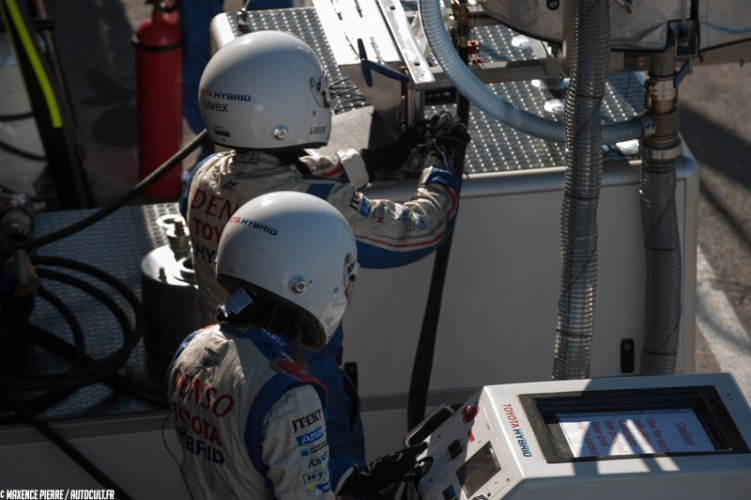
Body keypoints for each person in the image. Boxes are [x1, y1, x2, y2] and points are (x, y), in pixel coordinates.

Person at [180, 30, 471, 467]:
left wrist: (385, 155)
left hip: (219, 371)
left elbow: (299, 173)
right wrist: (443, 165)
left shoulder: (204, 174)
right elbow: (418, 230)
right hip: (299, 385)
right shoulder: (311, 205)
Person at [167, 191, 427, 499]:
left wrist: (354, 478)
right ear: (305, 281)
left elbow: (251, 460)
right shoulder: (290, 394)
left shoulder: (192, 347)